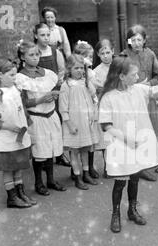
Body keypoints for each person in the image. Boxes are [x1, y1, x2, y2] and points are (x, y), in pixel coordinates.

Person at [98, 55, 158, 233]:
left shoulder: (138, 89)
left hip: (137, 143)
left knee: (134, 178)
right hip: (120, 145)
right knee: (120, 182)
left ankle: (132, 210)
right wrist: (126, 139)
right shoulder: (108, 98)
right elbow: (106, 125)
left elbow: (157, 90)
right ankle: (116, 214)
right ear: (121, 76)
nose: (137, 77)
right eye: (133, 74)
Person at [0, 58, 36, 208]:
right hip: (4, 137)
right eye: (11, 75)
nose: (15, 78)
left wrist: (28, 125)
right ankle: (11, 197)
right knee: (8, 167)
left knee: (18, 165)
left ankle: (20, 193)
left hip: (18, 135)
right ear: (0, 75)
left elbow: (22, 109)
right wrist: (10, 126)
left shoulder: (15, 90)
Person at [16, 41, 67, 196]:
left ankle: (51, 180)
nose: (35, 57)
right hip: (36, 118)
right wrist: (40, 100)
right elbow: (22, 102)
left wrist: (53, 96)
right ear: (23, 57)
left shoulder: (47, 74)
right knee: (39, 151)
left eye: (37, 54)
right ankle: (39, 182)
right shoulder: (20, 78)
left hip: (50, 115)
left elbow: (54, 90)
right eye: (31, 55)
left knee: (51, 147)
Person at [121, 24, 158, 182]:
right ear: (128, 41)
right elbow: (119, 77)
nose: (136, 43)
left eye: (139, 40)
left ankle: (144, 167)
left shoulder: (150, 54)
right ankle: (132, 166)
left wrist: (147, 85)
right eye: (133, 40)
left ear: (144, 40)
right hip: (130, 101)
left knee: (147, 131)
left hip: (147, 100)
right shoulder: (124, 56)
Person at [59, 54, 99, 189]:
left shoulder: (86, 83)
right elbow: (63, 108)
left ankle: (86, 173)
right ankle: (77, 176)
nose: (80, 71)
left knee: (85, 149)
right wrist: (69, 124)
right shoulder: (66, 86)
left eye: (82, 68)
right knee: (75, 151)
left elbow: (94, 98)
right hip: (74, 124)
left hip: (86, 122)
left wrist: (94, 113)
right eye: (76, 68)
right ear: (69, 69)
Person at [34, 23, 70, 167]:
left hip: (55, 91)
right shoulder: (33, 52)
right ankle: (44, 156)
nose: (46, 38)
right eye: (42, 35)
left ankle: (59, 154)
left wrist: (57, 83)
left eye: (48, 34)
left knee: (57, 123)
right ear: (36, 36)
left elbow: (61, 70)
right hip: (39, 93)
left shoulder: (55, 51)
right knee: (43, 125)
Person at [73, 40, 102, 179]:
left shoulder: (90, 72)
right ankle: (76, 170)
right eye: (88, 57)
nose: (90, 60)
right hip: (80, 109)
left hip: (91, 107)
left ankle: (89, 167)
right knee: (78, 141)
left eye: (91, 57)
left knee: (90, 139)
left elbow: (96, 86)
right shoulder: (81, 74)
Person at [93, 38, 115, 178]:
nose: (106, 55)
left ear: (113, 51)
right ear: (98, 54)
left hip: (119, 105)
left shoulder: (119, 66)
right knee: (106, 137)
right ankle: (108, 164)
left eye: (108, 52)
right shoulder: (95, 72)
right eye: (102, 53)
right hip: (104, 106)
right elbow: (96, 90)